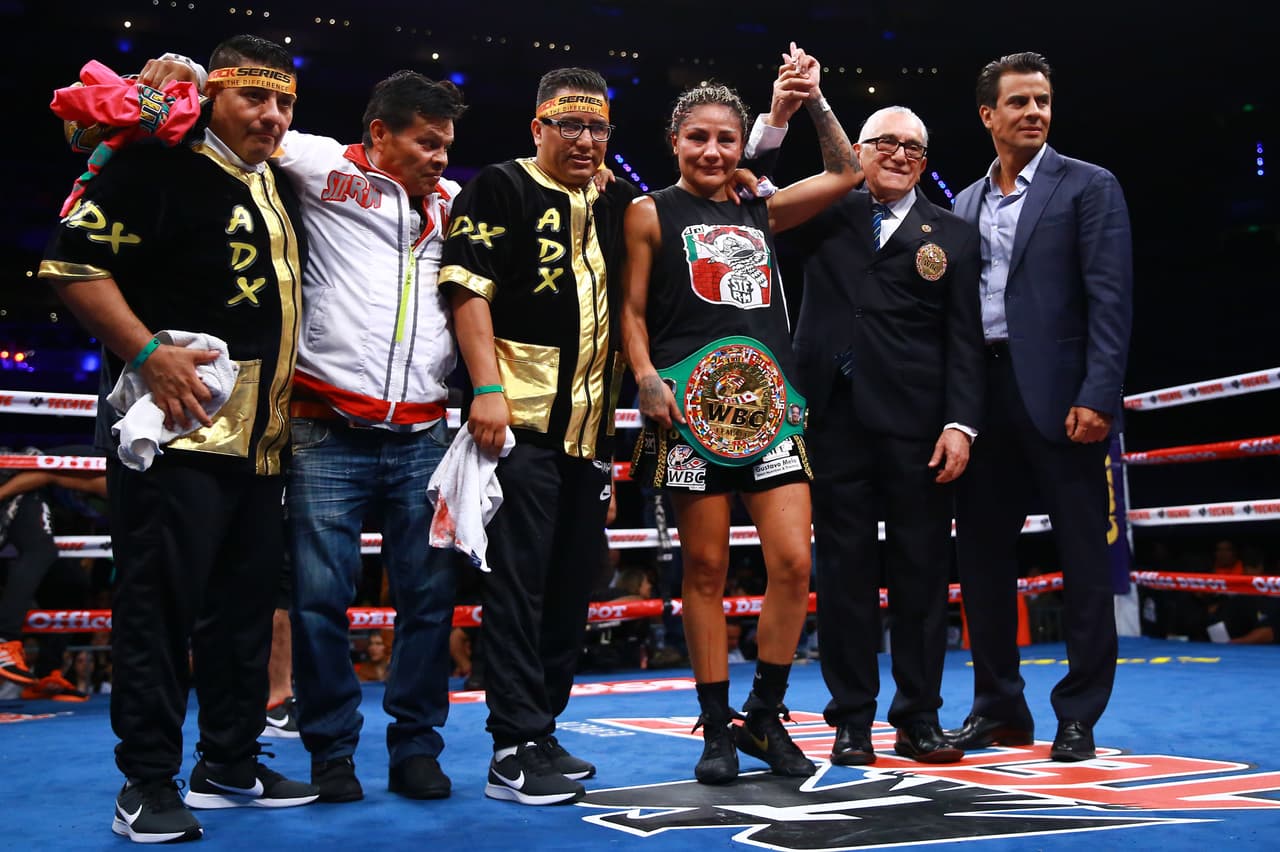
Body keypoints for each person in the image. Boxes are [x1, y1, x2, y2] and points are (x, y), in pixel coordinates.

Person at [152, 58, 469, 800]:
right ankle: (331, 751)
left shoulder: (455, 203)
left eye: (447, 144)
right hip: (326, 426)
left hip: (423, 428)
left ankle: (416, 747)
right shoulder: (320, 163)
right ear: (380, 134)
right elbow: (234, 125)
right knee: (321, 602)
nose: (440, 158)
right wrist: (187, 75)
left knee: (427, 601)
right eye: (426, 143)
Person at [40, 34, 318, 844]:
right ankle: (147, 782)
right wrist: (149, 355)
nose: (270, 116)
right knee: (157, 609)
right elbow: (71, 264)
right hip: (174, 436)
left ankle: (228, 763)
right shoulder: (158, 164)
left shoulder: (273, 183)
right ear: (214, 98)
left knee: (242, 612)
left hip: (262, 443)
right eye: (253, 99)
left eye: (284, 103)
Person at [621, 49, 857, 785]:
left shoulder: (760, 205)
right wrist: (645, 377)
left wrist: (812, 101)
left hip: (770, 407)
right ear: (675, 142)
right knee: (705, 569)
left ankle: (764, 714)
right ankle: (715, 727)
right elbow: (628, 310)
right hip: (688, 409)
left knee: (792, 563)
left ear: (740, 143)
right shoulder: (647, 211)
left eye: (726, 138)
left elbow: (847, 173)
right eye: (699, 137)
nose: (714, 151)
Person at [755, 104, 983, 766]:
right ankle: (851, 721)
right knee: (845, 576)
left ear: (926, 162)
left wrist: (961, 423)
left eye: (914, 147)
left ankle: (918, 719)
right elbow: (751, 197)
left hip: (919, 428)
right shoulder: (826, 209)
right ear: (857, 149)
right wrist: (780, 119)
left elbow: (965, 339)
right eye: (886, 142)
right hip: (831, 417)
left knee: (921, 576)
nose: (900, 155)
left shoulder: (956, 236)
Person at [440, 67, 636, 806]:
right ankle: (511, 748)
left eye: (597, 128)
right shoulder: (500, 185)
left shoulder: (615, 201)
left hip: (588, 436)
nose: (585, 140)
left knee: (569, 591)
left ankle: (541, 728)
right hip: (516, 425)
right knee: (517, 589)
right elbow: (466, 287)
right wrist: (485, 388)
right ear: (538, 128)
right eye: (570, 125)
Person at [944, 52, 1133, 762]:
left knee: (1084, 559)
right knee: (984, 562)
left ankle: (1078, 714)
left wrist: (1099, 393)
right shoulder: (962, 204)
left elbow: (1110, 298)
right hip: (982, 399)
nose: (1034, 112)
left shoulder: (1089, 186)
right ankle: (998, 709)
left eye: (1043, 100)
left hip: (1062, 398)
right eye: (1018, 101)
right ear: (988, 115)